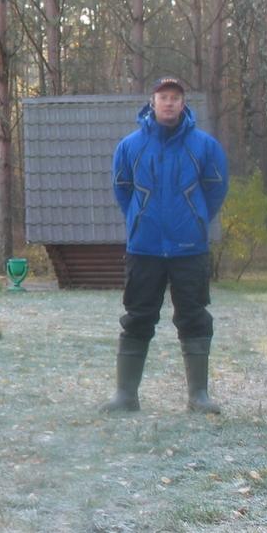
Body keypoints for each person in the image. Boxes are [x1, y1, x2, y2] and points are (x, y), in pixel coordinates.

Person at [101, 77, 229, 414]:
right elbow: (122, 190)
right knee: (137, 317)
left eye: (175, 97)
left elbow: (215, 189)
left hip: (190, 249)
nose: (169, 102)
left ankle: (198, 397)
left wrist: (195, 218)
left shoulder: (205, 146)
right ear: (152, 102)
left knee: (194, 317)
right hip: (144, 248)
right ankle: (126, 396)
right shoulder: (129, 146)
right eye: (163, 97)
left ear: (183, 104)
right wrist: (140, 219)